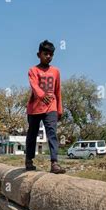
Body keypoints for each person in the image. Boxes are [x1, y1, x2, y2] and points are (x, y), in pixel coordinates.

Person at [25, 40, 66, 174]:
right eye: (45, 54)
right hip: (34, 109)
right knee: (32, 135)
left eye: (51, 54)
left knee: (52, 134)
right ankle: (29, 160)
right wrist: (42, 95)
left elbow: (58, 91)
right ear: (39, 54)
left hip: (51, 108)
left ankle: (54, 163)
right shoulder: (33, 70)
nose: (48, 56)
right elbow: (34, 85)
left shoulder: (56, 71)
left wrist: (59, 109)